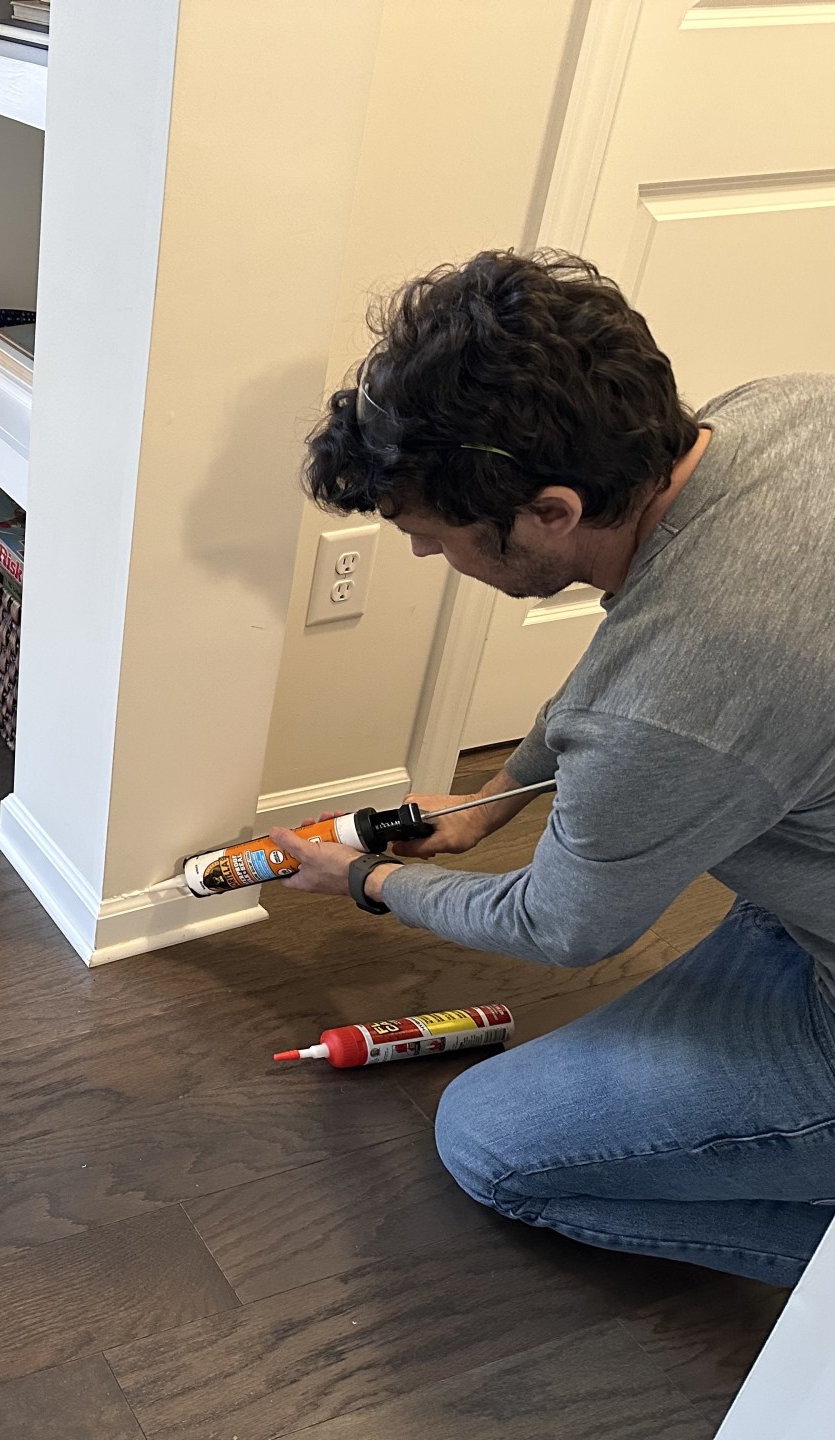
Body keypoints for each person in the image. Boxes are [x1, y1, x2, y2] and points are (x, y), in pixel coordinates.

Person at [275, 249, 835, 1287]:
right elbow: (622, 680)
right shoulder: (780, 415)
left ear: (553, 513)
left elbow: (561, 926)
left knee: (492, 1142)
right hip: (805, 895)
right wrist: (489, 808)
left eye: (437, 538)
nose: (421, 557)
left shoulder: (674, 706)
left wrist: (365, 879)